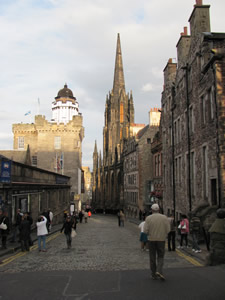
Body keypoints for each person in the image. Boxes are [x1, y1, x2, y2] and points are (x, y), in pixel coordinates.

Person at [144, 203, 170, 280]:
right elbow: (168, 230)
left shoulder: (148, 218)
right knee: (161, 256)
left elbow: (145, 231)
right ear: (158, 210)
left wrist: (150, 233)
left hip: (151, 240)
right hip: (161, 240)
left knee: (152, 257)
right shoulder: (164, 218)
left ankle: (153, 274)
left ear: (151, 210)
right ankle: (159, 271)